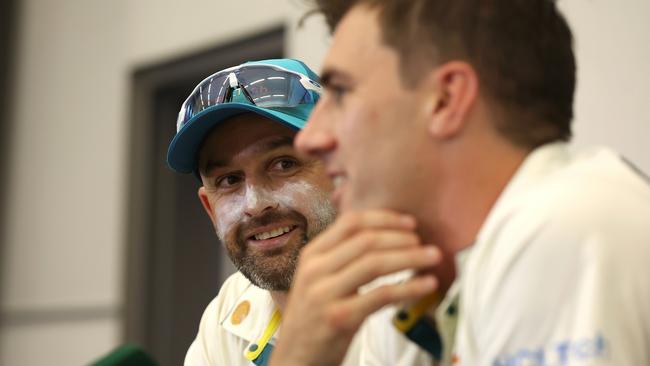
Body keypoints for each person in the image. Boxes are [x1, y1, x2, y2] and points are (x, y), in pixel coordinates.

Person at [269, 1, 650, 365]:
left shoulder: (563, 220)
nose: (310, 138)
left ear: (446, 99)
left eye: (339, 93)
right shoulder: (416, 302)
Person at [166, 59, 365, 366]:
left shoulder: (413, 292)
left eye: (284, 164)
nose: (255, 205)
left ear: (342, 170)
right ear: (210, 208)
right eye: (229, 180)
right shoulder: (228, 314)